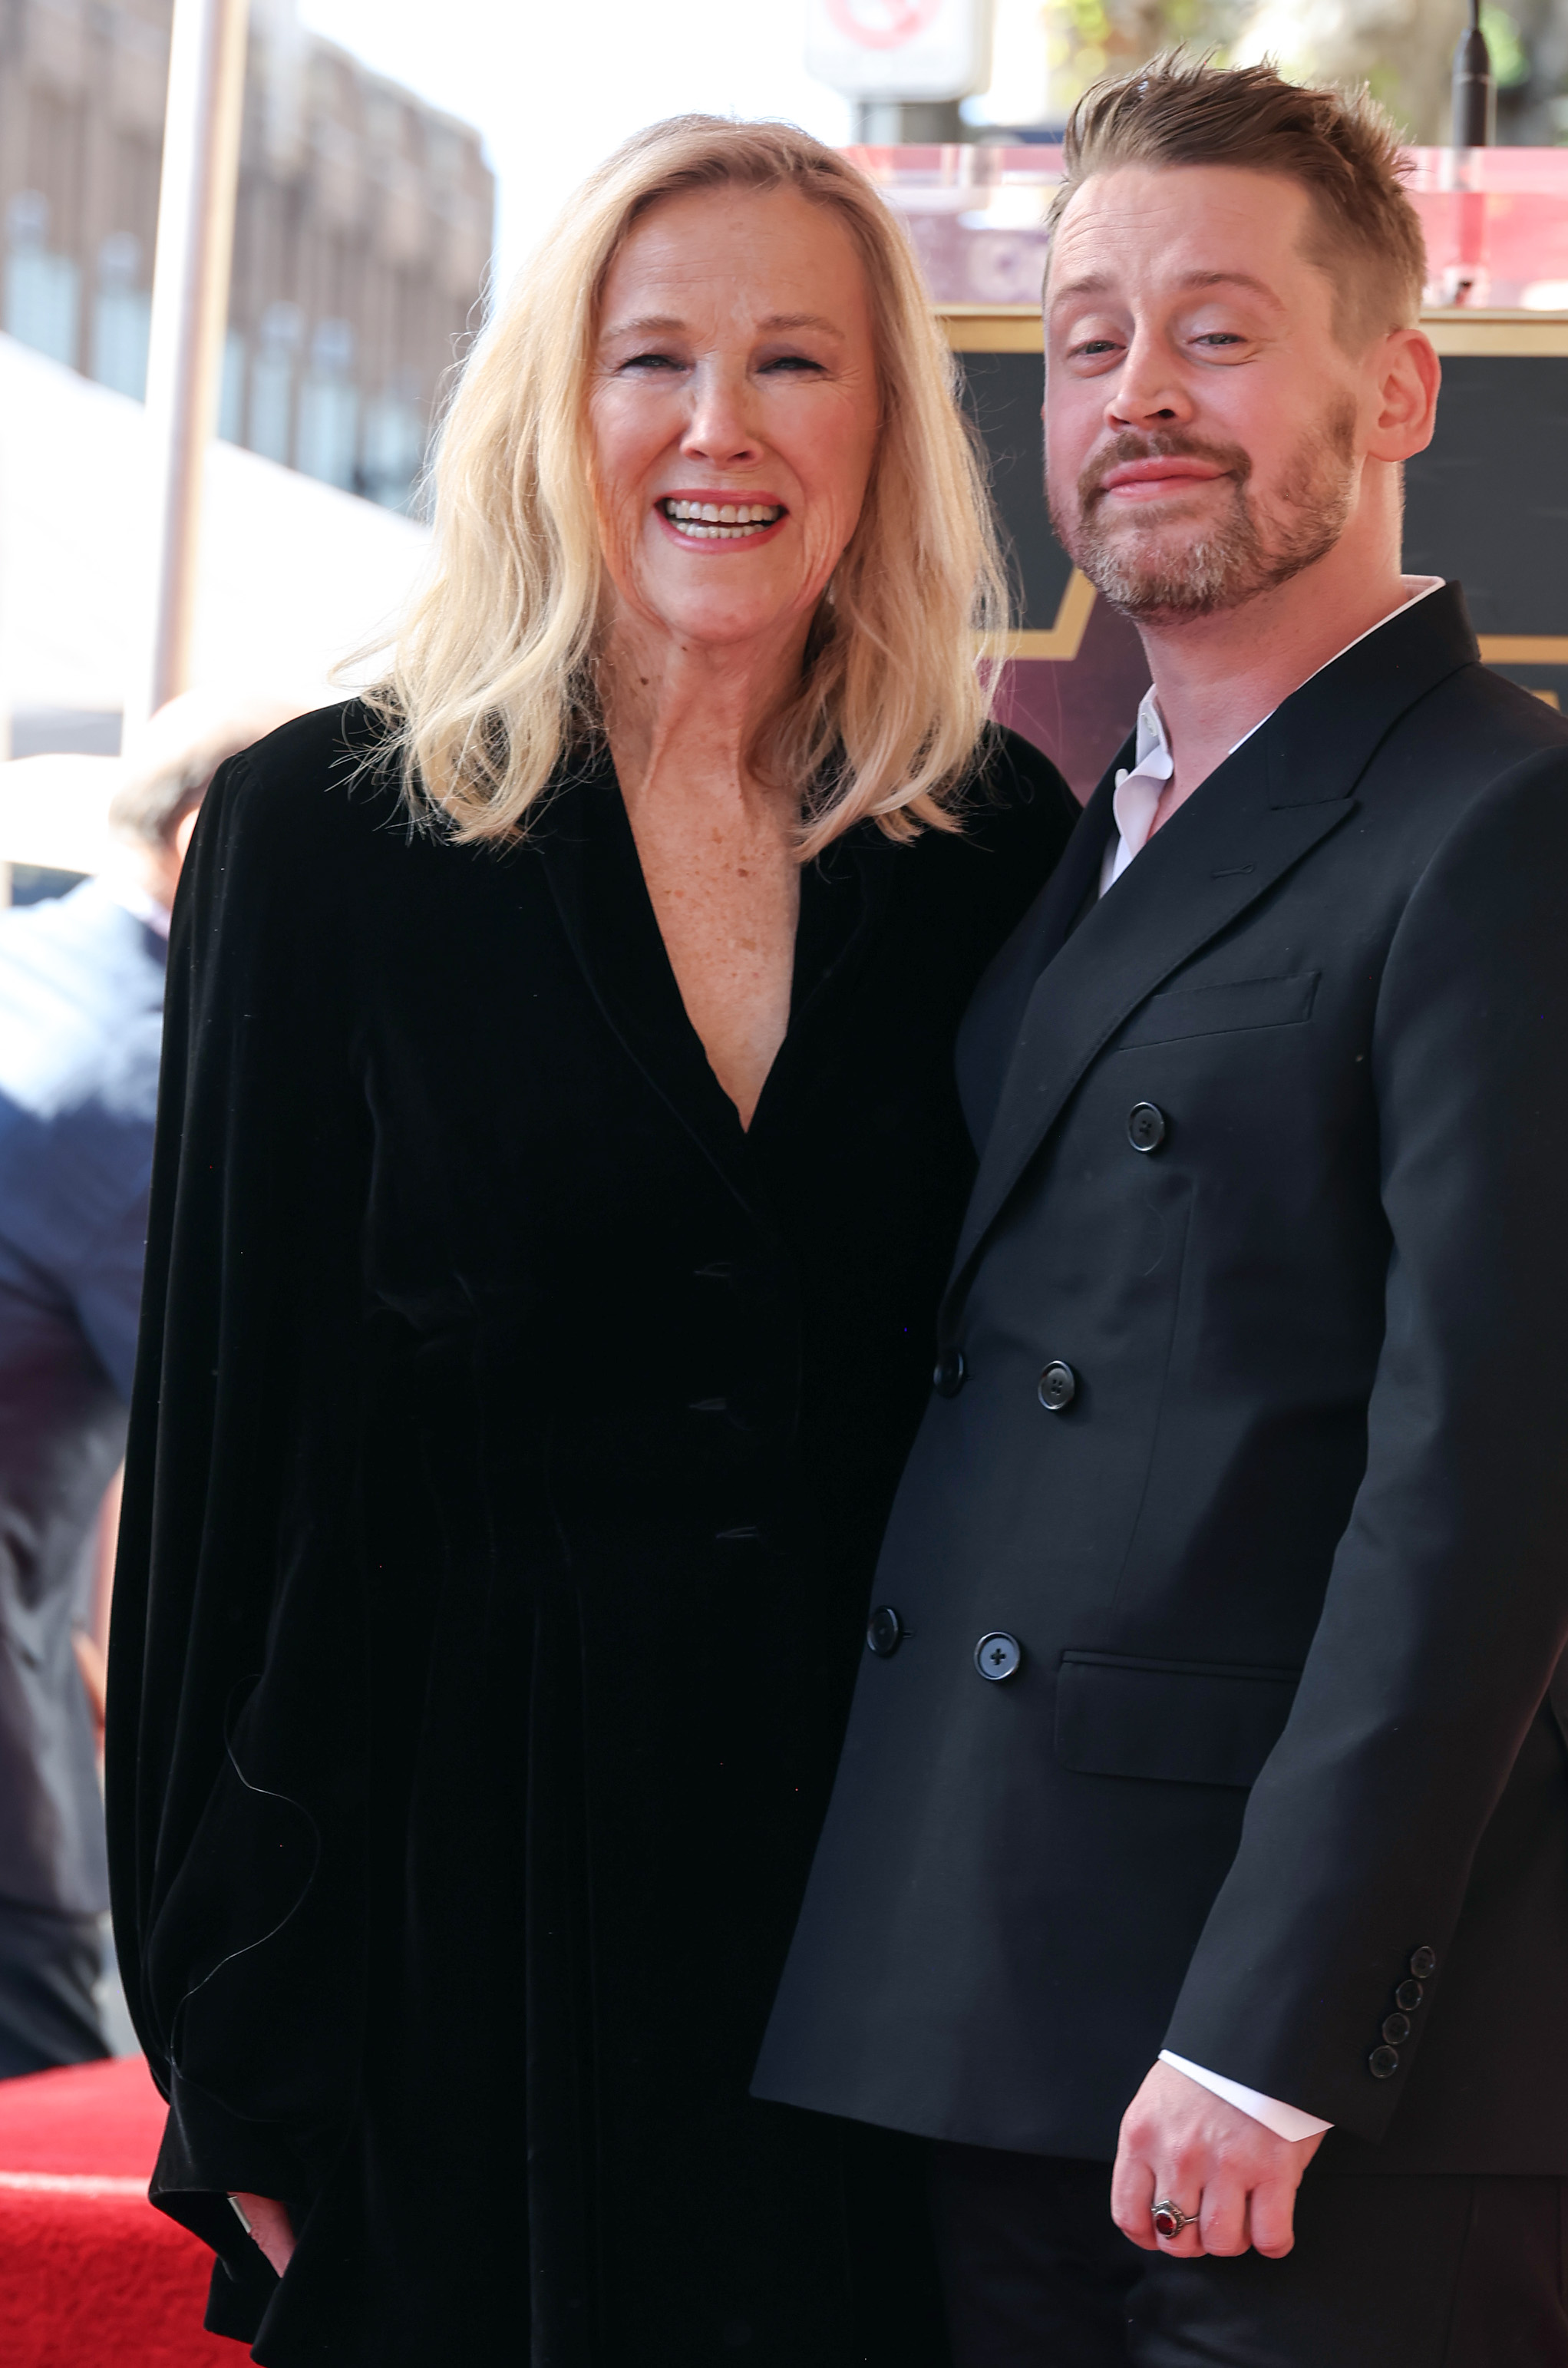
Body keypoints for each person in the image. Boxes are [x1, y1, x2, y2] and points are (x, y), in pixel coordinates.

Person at [754, 59, 1568, 2368]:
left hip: (1306, 2071)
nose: (1136, 396)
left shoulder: (1529, 830)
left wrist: (1275, 2028)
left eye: (1215, 328)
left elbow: (1488, 1481)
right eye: (1088, 340)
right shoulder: (1075, 841)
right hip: (998, 2010)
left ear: (1395, 381)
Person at [104, 117, 1074, 2368]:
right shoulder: (332, 830)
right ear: (557, 408)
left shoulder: (987, 846)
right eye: (654, 360)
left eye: (793, 365)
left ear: (887, 430)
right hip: (450, 1935)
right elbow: (229, 1457)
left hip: (879, 1945)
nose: (718, 428)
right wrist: (225, 2029)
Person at [0, 692, 295, 2082]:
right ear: (205, 830)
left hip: (37, 1624)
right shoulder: (139, 1070)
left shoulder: (35, 962)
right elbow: (232, 1452)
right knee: (60, 2084)